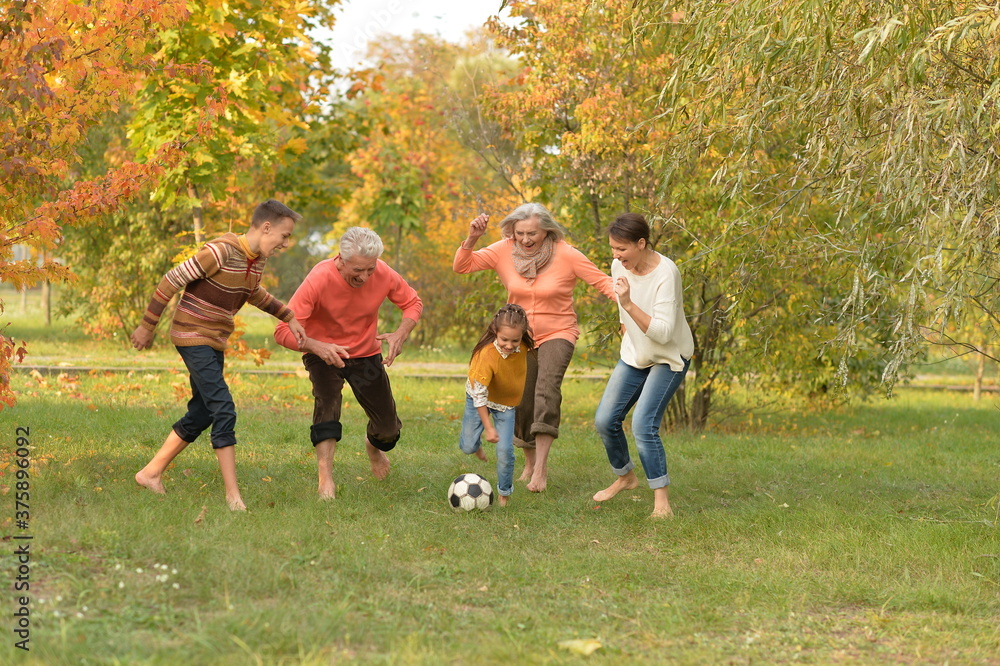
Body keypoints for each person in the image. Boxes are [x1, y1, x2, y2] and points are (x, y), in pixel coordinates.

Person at [132, 199, 307, 511]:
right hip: (192, 334)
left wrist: (289, 316)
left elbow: (253, 292)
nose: (285, 243)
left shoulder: (256, 259)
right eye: (284, 236)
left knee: (203, 411)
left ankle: (150, 473)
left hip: (214, 340)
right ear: (267, 227)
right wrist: (147, 326)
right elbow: (172, 280)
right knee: (223, 409)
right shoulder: (220, 251)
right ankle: (233, 497)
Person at [454, 203, 615, 492]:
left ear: (547, 231)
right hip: (520, 338)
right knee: (522, 397)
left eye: (533, 234)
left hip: (559, 331)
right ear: (512, 232)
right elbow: (462, 266)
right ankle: (528, 462)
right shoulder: (503, 250)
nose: (526, 240)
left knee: (546, 389)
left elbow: (605, 284)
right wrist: (472, 238)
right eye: (520, 233)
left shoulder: (566, 254)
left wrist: (635, 304)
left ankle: (540, 468)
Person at [274, 226, 422, 500]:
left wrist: (400, 333)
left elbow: (413, 302)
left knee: (388, 431)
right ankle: (325, 479)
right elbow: (282, 331)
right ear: (341, 260)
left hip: (365, 353)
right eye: (358, 270)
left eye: (370, 269)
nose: (365, 277)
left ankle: (373, 447)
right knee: (328, 403)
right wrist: (316, 346)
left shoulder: (383, 273)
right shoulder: (319, 278)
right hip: (323, 353)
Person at [593, 213, 694, 518]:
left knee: (643, 425)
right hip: (635, 355)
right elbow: (623, 312)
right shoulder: (619, 265)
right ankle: (626, 477)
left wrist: (628, 304)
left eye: (621, 249)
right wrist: (626, 324)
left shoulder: (667, 273)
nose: (615, 255)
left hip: (669, 356)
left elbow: (663, 333)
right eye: (613, 248)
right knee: (605, 420)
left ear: (641, 243)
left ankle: (662, 503)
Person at [459, 304, 535, 507]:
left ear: (522, 336)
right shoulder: (486, 355)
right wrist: (489, 428)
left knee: (505, 451)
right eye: (504, 340)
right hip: (478, 398)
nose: (509, 345)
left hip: (506, 405)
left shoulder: (524, 346)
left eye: (515, 340)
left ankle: (504, 493)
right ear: (495, 331)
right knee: (467, 446)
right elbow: (479, 398)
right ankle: (475, 446)